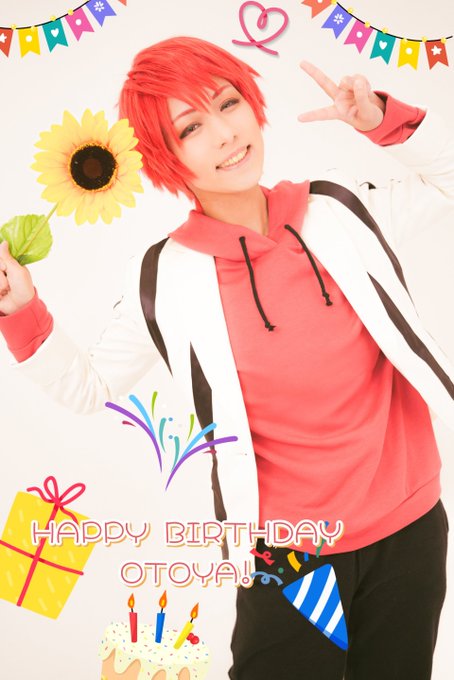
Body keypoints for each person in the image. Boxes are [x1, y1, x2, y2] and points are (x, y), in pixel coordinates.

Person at [0, 36, 453, 679]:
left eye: (229, 103)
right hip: (291, 560)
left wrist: (382, 121)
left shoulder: (338, 210)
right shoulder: (166, 275)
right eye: (190, 127)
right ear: (166, 158)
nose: (224, 134)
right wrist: (21, 310)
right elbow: (89, 385)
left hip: (410, 527)